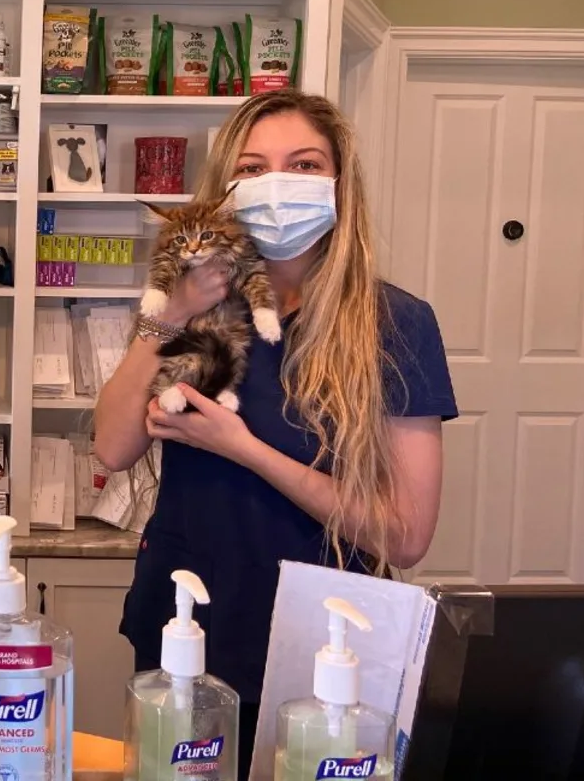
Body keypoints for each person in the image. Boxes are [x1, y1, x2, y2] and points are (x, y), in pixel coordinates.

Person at [95, 89, 456, 770]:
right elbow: (113, 446)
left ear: (339, 184)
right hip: (187, 622)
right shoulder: (197, 305)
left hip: (324, 642)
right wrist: (168, 315)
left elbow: (404, 534)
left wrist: (245, 451)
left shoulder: (397, 324)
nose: (277, 186)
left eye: (305, 164)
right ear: (226, 188)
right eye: (254, 168)